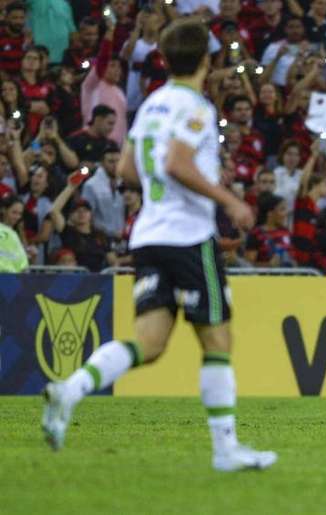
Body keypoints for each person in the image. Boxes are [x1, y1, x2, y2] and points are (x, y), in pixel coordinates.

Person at [41, 19, 277, 472]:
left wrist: (167, 186)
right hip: (187, 236)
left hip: (148, 234)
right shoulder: (196, 106)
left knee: (150, 343)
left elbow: (129, 168)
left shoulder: (150, 105)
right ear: (207, 60)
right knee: (218, 338)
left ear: (164, 59)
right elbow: (176, 162)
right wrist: (229, 199)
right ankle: (225, 450)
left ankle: (69, 391)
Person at [81, 142, 124, 240]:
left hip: (123, 237)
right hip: (100, 239)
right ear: (102, 163)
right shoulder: (91, 185)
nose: (115, 165)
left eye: (118, 161)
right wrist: (107, 233)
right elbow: (87, 217)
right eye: (111, 161)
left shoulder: (124, 182)